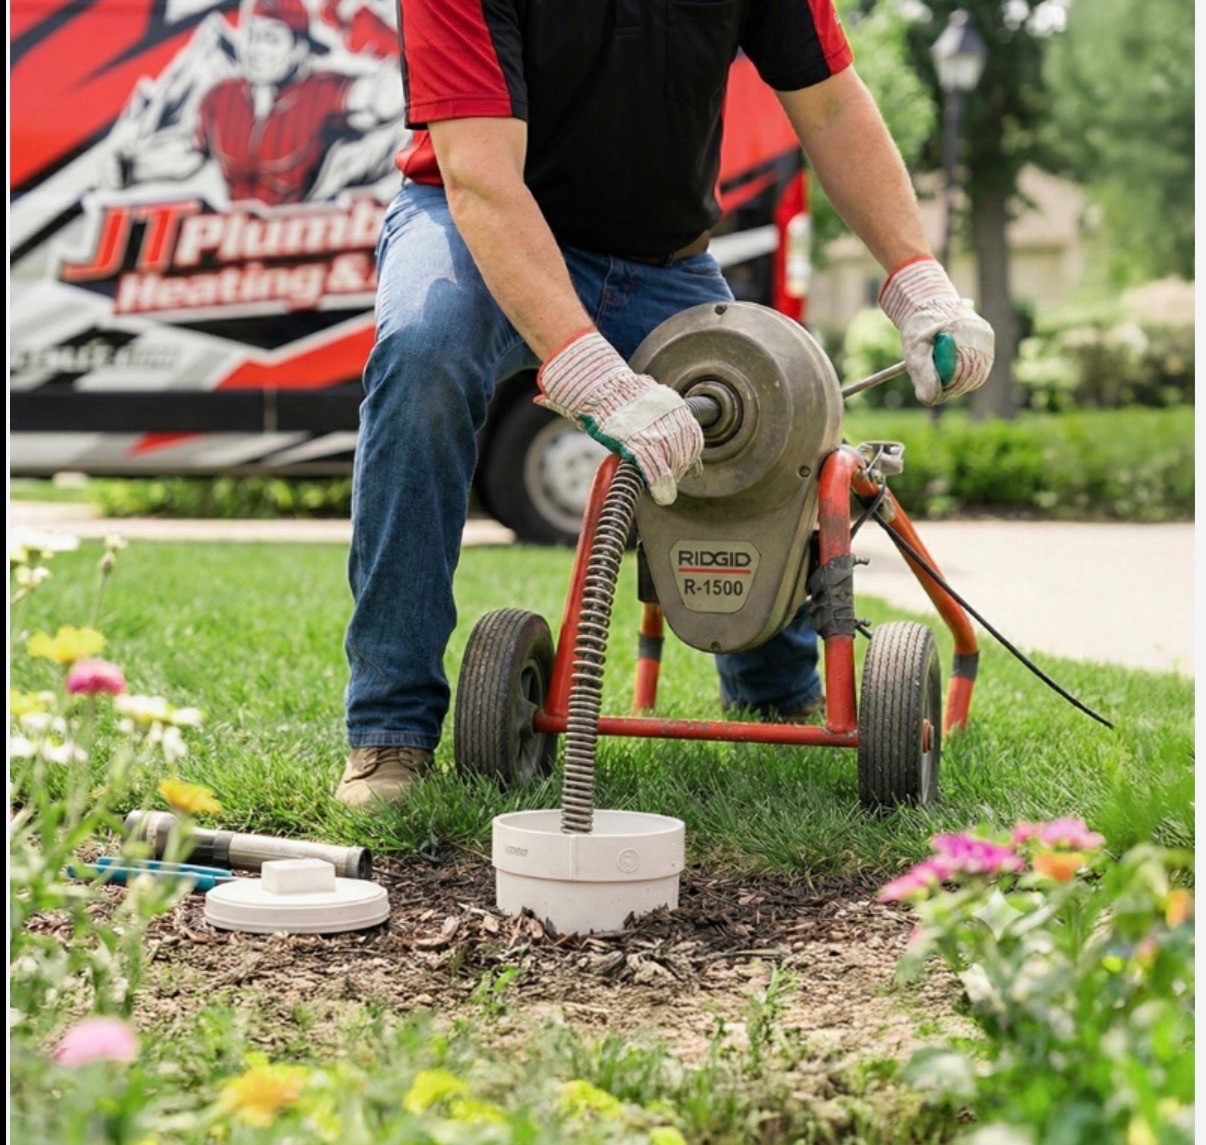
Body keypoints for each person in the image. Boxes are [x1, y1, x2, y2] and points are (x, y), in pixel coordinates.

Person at [336, 0, 994, 809]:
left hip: (658, 255)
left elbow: (828, 103)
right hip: (475, 222)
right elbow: (479, 174)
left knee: (767, 408)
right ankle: (390, 731)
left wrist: (914, 276)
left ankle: (773, 685)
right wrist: (591, 371)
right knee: (421, 359)